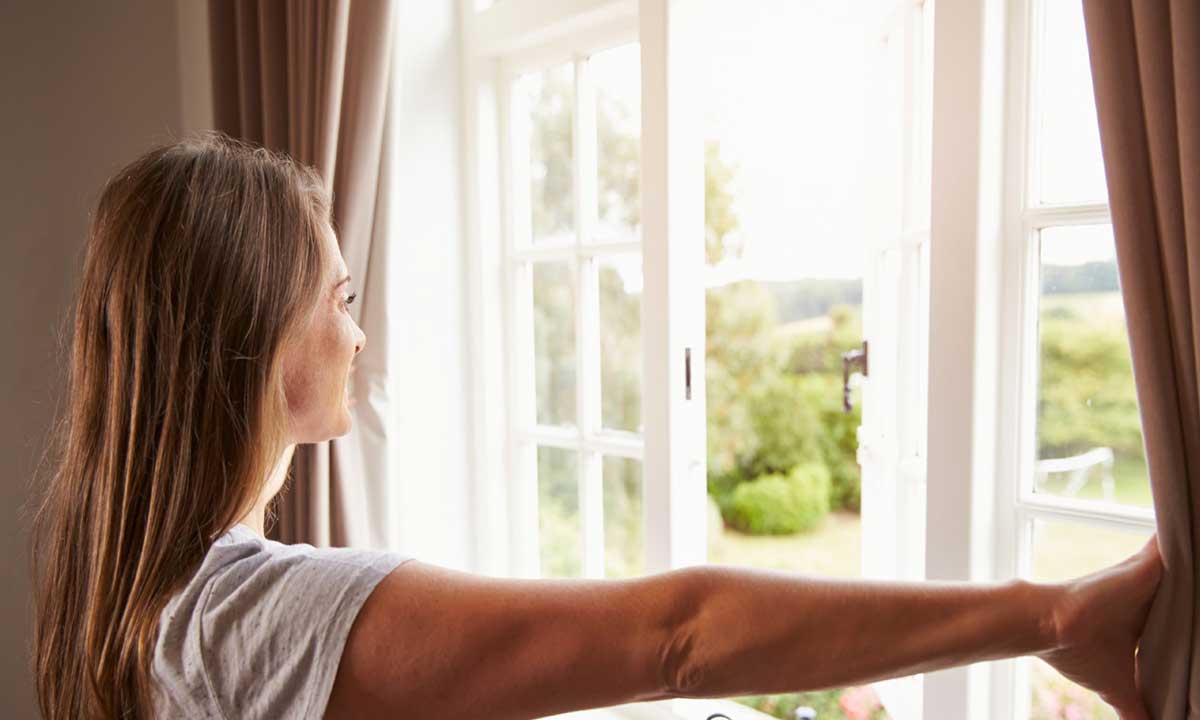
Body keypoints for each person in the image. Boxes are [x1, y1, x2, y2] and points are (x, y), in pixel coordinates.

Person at [29, 132, 1163, 720]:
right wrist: (1053, 613)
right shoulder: (250, 610)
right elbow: (681, 635)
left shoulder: (134, 587)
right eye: (338, 299)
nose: (357, 333)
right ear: (257, 331)